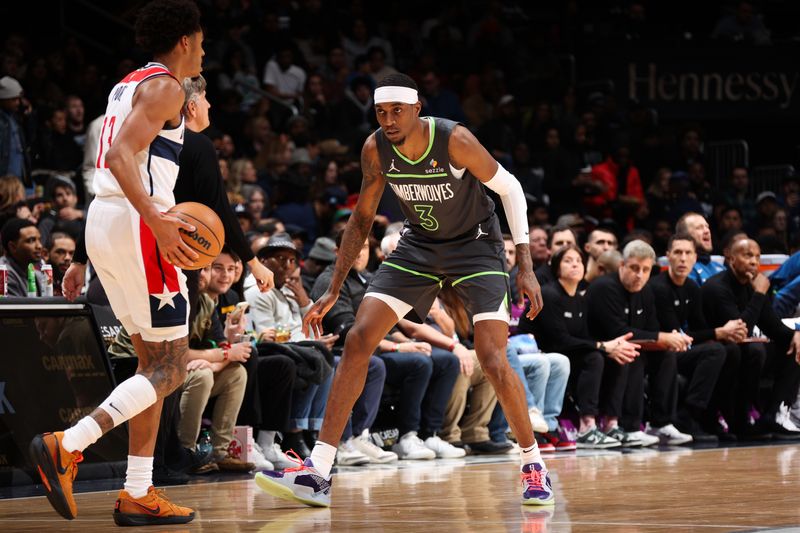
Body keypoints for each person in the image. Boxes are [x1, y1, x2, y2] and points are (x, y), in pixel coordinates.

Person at [256, 73, 553, 507]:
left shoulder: (455, 140)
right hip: (419, 247)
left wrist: (525, 265)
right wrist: (334, 288)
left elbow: (511, 190)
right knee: (357, 340)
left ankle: (532, 464)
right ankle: (318, 471)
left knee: (491, 357)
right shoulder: (376, 148)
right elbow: (360, 220)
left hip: (476, 247)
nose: (389, 119)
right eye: (381, 112)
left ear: (417, 109)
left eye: (397, 111)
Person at [29, 1, 268, 526]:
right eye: (201, 41)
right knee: (173, 365)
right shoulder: (166, 86)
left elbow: (126, 154)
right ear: (185, 39)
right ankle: (67, 444)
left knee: (151, 365)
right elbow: (119, 157)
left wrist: (188, 124)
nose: (204, 50)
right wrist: (157, 221)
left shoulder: (132, 83)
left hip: (108, 221)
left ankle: (138, 491)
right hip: (140, 225)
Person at [520, 244, 639, 449]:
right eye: (568, 261)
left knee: (619, 356)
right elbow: (559, 341)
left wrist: (612, 347)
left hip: (567, 354)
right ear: (557, 269)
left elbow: (582, 337)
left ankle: (611, 423)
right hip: (543, 354)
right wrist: (601, 346)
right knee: (595, 357)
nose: (575, 264)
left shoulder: (580, 298)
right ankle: (587, 427)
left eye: (578, 260)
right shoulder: (550, 295)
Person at [586, 240, 693, 447]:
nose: (640, 275)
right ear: (622, 266)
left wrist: (668, 341)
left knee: (666, 354)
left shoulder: (645, 291)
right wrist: (661, 338)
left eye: (645, 270)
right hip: (599, 349)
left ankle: (660, 424)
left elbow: (650, 328)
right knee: (632, 353)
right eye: (634, 268)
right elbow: (618, 332)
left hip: (626, 346)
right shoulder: (604, 288)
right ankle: (629, 426)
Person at [702, 238, 800, 438]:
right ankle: (741, 418)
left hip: (744, 352)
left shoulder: (751, 285)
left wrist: (795, 336)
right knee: (752, 351)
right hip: (718, 353)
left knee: (793, 345)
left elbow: (772, 326)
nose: (754, 261)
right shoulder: (717, 287)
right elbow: (740, 331)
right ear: (731, 258)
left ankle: (777, 414)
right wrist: (760, 294)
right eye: (747, 255)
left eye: (757, 256)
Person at [648, 234, 741, 442]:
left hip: (682, 350)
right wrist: (718, 332)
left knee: (731, 351)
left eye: (688, 253)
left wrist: (724, 334)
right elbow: (675, 333)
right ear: (668, 256)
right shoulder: (659, 288)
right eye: (678, 253)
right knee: (715, 350)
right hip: (661, 353)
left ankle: (712, 414)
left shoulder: (691, 288)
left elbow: (700, 329)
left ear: (695, 258)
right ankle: (689, 415)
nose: (683, 258)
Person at [0, 218, 45, 296]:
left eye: (39, 240)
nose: (39, 246)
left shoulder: (37, 274)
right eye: (31, 240)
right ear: (13, 247)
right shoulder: (3, 274)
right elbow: (15, 308)